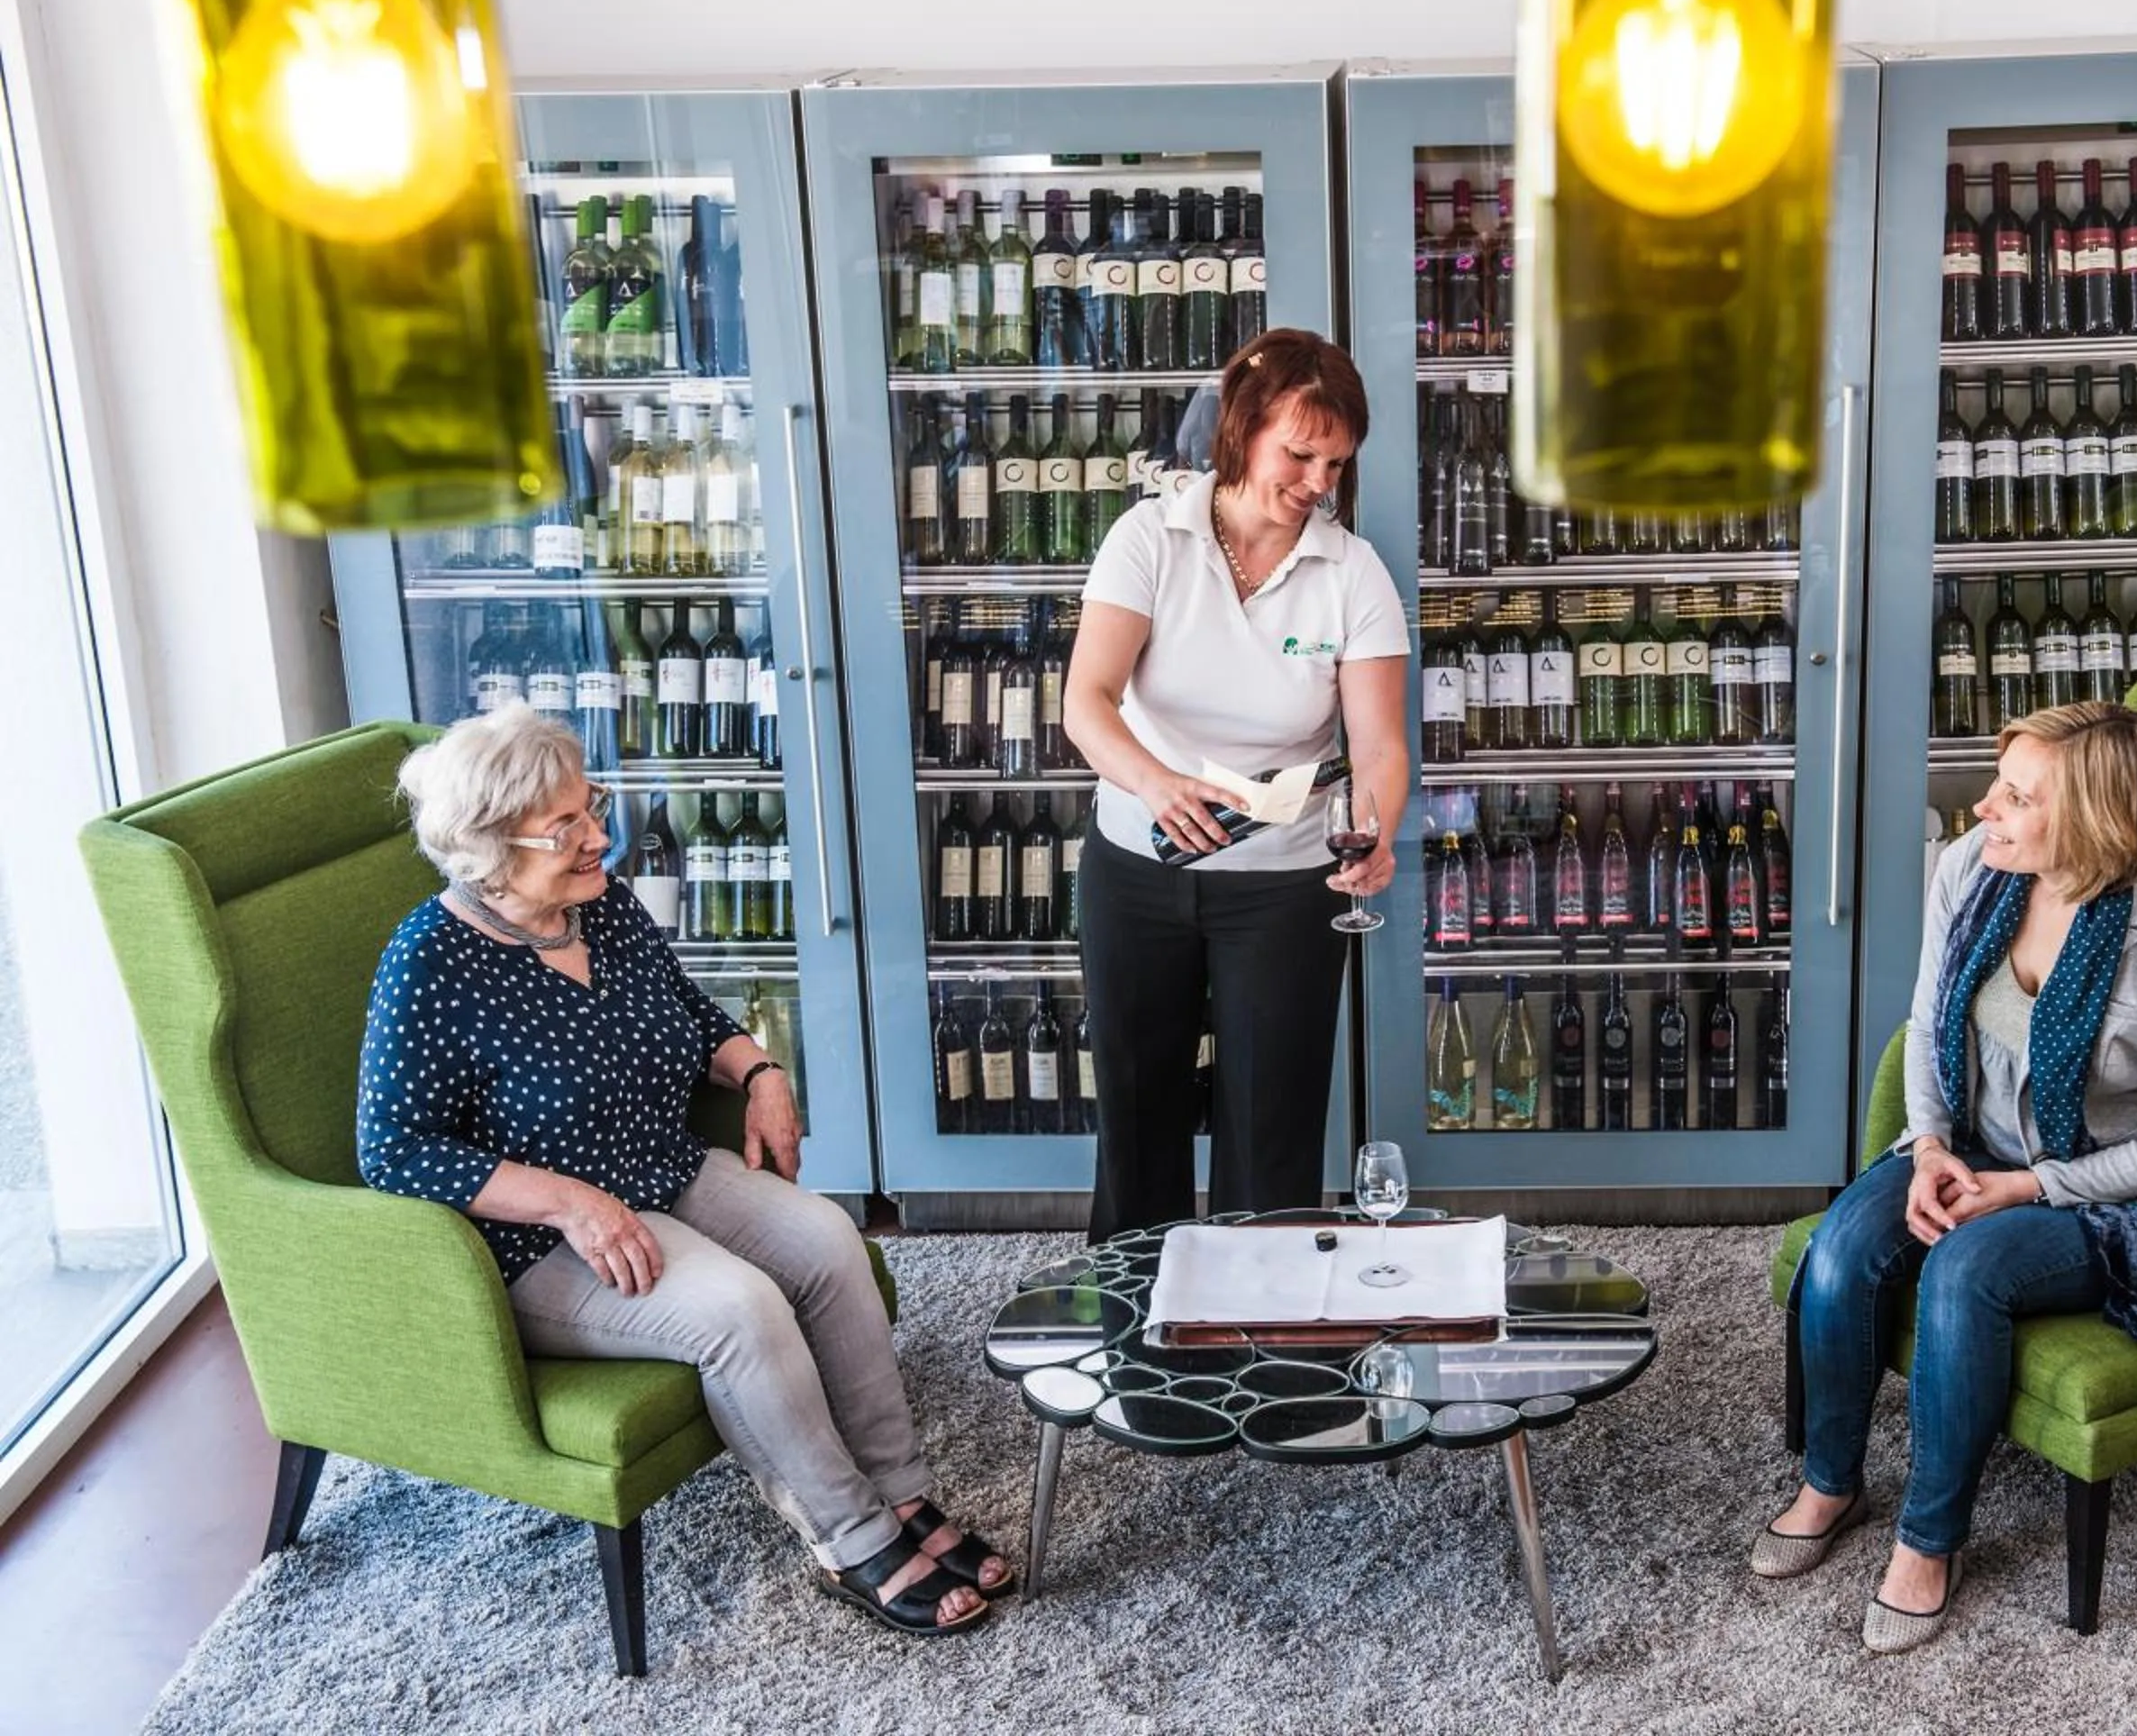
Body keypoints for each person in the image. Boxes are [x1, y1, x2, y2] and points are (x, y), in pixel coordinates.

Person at [357, 704, 1008, 1639]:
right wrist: (570, 1200)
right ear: (492, 845)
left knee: (827, 1238)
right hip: (539, 1237)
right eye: (569, 824)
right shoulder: (430, 960)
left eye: (594, 806)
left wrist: (760, 1067)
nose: (600, 835)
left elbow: (685, 1012)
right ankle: (849, 1535)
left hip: (659, 1165)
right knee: (739, 1306)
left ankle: (900, 1493)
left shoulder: (601, 902)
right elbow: (394, 1150)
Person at [1752, 701, 2137, 1652]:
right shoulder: (1970, 870)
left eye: (2017, 797)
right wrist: (1930, 1147)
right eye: (1998, 783)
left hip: (2110, 1188)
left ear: (2096, 819)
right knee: (1841, 1248)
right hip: (1972, 1142)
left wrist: (2028, 1188)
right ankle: (1830, 1479)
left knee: (1965, 1270)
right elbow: (1928, 1022)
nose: (1984, 808)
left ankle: (1931, 1539)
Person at [1065, 329, 1409, 1241]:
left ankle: (1270, 1354)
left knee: (1274, 1133)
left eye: (1335, 461)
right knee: (1139, 1118)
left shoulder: (1354, 571)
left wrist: (1375, 829)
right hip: (1138, 868)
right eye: (1298, 453)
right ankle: (1136, 1350)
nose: (1316, 481)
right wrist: (1157, 781)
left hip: (1285, 882)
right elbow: (1086, 702)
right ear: (1242, 429)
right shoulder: (1149, 538)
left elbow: (1378, 745)